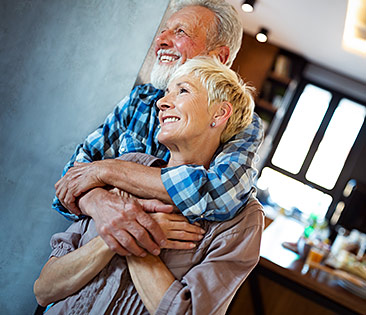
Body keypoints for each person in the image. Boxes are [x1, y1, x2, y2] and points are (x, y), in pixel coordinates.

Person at [34, 56, 264, 315]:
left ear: (219, 114)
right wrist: (116, 232)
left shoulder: (243, 221)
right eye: (167, 92)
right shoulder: (127, 164)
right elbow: (44, 290)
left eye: (183, 91)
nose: (162, 102)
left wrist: (140, 234)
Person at [53, 0, 263, 258]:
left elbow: (220, 194)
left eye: (180, 32)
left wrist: (107, 170)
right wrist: (100, 204)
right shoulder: (141, 99)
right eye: (164, 30)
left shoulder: (241, 122)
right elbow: (70, 177)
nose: (161, 40)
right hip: (80, 261)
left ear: (218, 58)